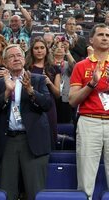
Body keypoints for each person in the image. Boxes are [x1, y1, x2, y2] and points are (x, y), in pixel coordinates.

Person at [0, 44, 52, 200]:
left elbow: (47, 105)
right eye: (12, 56)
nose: (16, 58)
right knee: (8, 191)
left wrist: (30, 91)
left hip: (33, 141)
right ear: (4, 61)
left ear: (24, 59)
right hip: (8, 141)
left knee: (34, 191)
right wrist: (7, 92)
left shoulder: (37, 80)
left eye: (19, 55)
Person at [69, 23, 109, 200]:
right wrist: (92, 84)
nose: (105, 38)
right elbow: (72, 100)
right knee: (86, 179)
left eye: (108, 35)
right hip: (88, 121)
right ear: (91, 40)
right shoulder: (81, 66)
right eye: (101, 34)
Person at [25, 36, 60, 149]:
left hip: (49, 107)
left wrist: (49, 82)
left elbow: (57, 94)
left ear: (46, 50)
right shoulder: (26, 68)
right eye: (36, 48)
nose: (39, 51)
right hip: (30, 106)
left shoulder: (54, 68)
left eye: (42, 48)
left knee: (49, 138)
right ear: (32, 51)